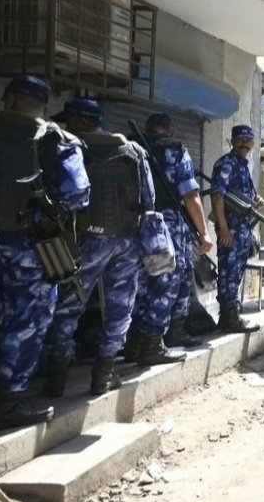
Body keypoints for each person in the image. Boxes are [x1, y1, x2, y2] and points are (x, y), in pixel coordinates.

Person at [0, 76, 90, 428]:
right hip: (32, 247)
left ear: (9, 101)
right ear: (44, 107)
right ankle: (8, 401)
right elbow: (78, 194)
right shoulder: (57, 141)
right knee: (25, 321)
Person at [42, 98, 169, 399]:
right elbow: (149, 199)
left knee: (68, 306)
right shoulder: (136, 152)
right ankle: (104, 375)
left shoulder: (74, 150)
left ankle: (57, 376)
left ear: (85, 122)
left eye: (71, 122)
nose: (67, 128)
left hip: (84, 241)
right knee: (119, 308)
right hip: (127, 241)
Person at [129, 112, 214, 361]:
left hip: (134, 225)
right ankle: (155, 343)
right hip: (167, 225)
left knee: (139, 283)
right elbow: (190, 196)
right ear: (171, 131)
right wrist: (203, 232)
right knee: (169, 281)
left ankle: (136, 342)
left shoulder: (132, 149)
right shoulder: (175, 151)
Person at [210, 124, 264, 333]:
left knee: (235, 274)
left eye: (248, 140)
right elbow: (217, 196)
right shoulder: (227, 163)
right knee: (228, 274)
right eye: (240, 139)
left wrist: (255, 200)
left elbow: (240, 196)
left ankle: (230, 316)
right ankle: (229, 318)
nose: (244, 143)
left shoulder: (243, 165)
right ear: (232, 141)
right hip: (231, 230)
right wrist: (223, 228)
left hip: (242, 229)